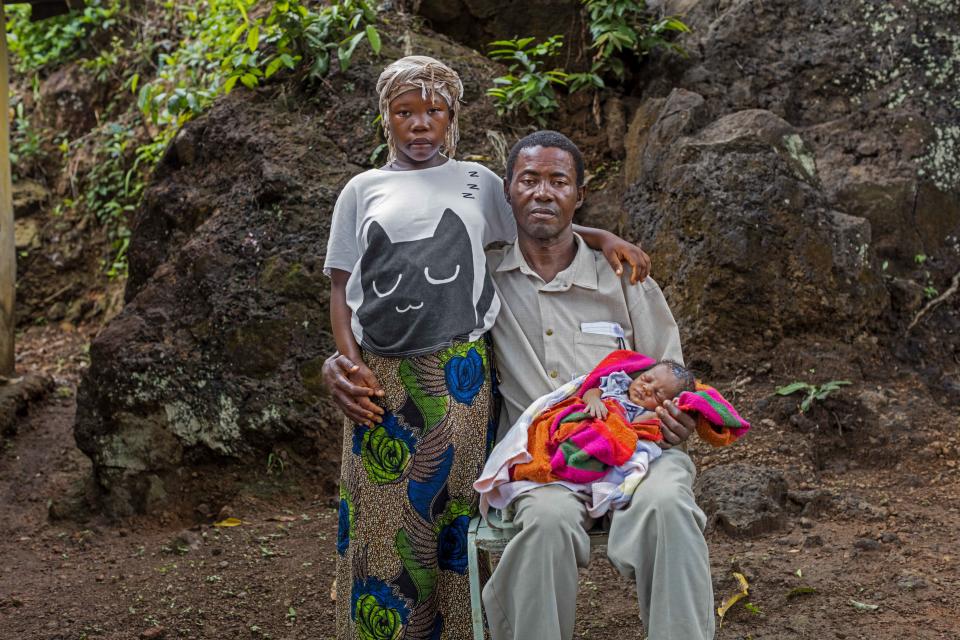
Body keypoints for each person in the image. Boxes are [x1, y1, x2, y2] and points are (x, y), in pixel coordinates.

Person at [326, 128, 724, 639]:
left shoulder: (622, 277)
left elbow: (673, 374)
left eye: (559, 181)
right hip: (540, 464)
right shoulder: (477, 276)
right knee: (544, 525)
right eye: (528, 179)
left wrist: (677, 419)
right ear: (507, 192)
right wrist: (338, 360)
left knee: (669, 505)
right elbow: (400, 318)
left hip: (637, 453)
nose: (543, 192)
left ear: (579, 195)